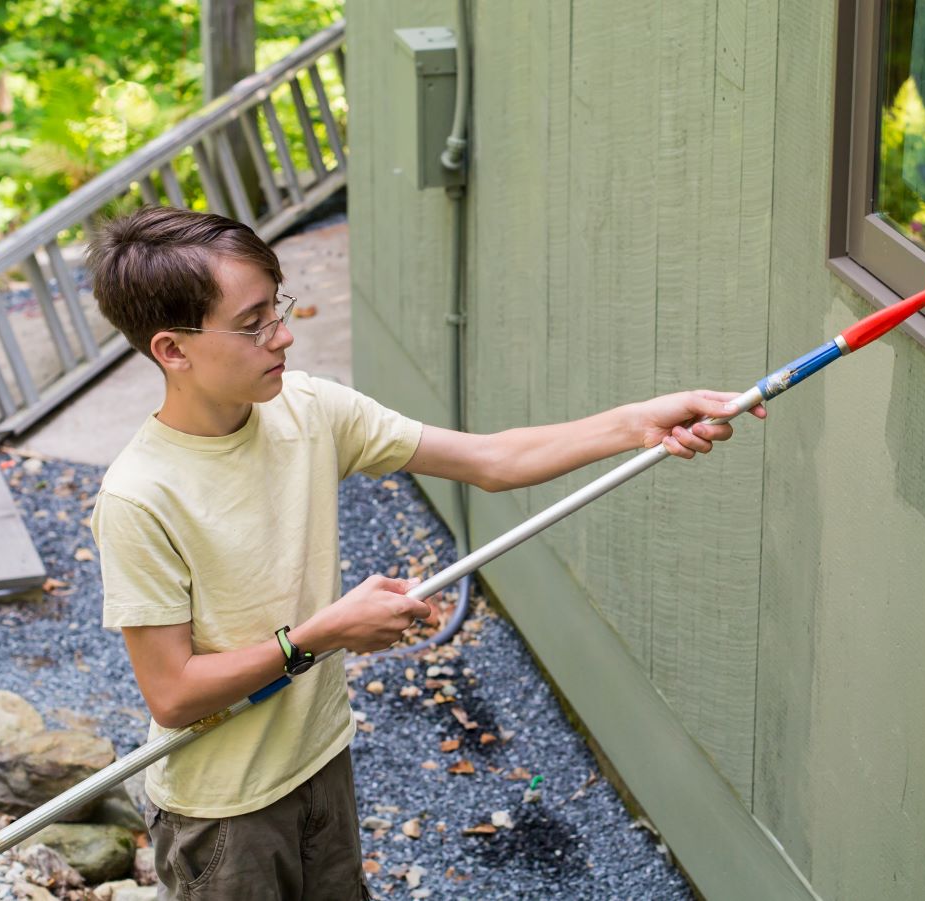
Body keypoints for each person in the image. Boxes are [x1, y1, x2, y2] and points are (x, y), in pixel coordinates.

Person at [88, 206, 764, 900]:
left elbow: (492, 459)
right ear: (173, 349)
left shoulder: (309, 411)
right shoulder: (141, 496)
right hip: (223, 812)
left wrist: (636, 424)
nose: (284, 334)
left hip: (321, 764)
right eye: (254, 321)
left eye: (278, 306)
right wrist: (321, 634)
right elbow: (172, 693)